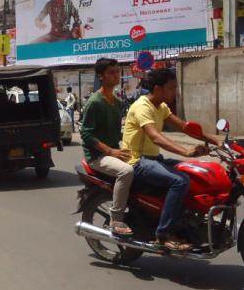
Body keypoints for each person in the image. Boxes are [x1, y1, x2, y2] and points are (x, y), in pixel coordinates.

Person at [123, 68, 222, 252]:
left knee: (192, 172)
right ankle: (163, 234)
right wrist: (185, 151)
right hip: (136, 161)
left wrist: (214, 139)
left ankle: (185, 222)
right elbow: (156, 137)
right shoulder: (142, 107)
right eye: (170, 88)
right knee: (179, 181)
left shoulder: (161, 107)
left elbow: (185, 127)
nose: (174, 92)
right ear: (158, 88)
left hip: (153, 158)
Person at [79, 59, 133, 236]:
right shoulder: (95, 102)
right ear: (100, 76)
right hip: (97, 157)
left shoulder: (117, 102)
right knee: (126, 172)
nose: (116, 75)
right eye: (111, 72)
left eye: (118, 71)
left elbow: (117, 134)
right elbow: (86, 134)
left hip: (114, 152)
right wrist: (111, 151)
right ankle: (116, 219)